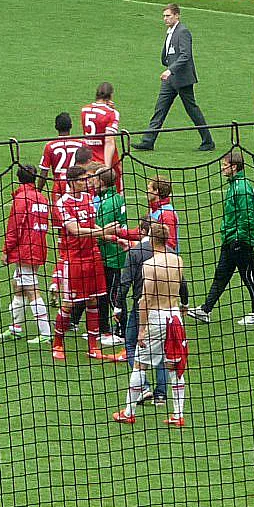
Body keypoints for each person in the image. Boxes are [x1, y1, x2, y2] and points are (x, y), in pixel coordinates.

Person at [113, 222, 185, 425]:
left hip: (157, 317)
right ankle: (178, 415)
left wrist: (142, 329)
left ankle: (128, 412)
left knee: (140, 364)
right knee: (174, 365)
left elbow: (145, 299)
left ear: (152, 240)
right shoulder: (178, 260)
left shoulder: (150, 265)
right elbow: (180, 288)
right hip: (175, 316)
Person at [189, 150, 254, 325]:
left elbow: (247, 217)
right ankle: (205, 310)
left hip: (239, 241)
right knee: (221, 276)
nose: (222, 168)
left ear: (234, 167)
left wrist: (239, 240)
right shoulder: (235, 185)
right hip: (230, 240)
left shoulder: (242, 188)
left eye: (225, 165)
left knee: (249, 277)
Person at [133, 4, 215, 152]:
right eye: (164, 16)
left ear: (177, 15)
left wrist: (170, 70)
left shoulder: (182, 32)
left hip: (182, 79)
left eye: (168, 15)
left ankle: (208, 141)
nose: (165, 19)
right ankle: (148, 141)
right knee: (160, 108)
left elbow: (185, 55)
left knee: (192, 109)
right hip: (171, 79)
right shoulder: (171, 31)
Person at [52, 166, 108, 361]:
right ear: (73, 181)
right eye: (83, 179)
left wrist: (113, 237)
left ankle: (93, 347)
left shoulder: (88, 199)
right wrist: (102, 233)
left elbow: (91, 225)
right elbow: (75, 230)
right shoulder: (62, 203)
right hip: (73, 259)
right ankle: (57, 343)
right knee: (68, 304)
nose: (87, 182)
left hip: (92, 256)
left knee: (93, 300)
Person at [0, 164, 51, 344]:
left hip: (26, 250)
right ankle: (15, 328)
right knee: (18, 286)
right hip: (38, 247)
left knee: (31, 289)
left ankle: (45, 332)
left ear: (18, 178)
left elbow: (15, 228)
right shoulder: (41, 198)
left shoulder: (22, 198)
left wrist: (6, 250)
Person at [93, 167, 127, 350]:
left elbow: (102, 231)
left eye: (95, 181)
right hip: (114, 253)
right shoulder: (117, 198)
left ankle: (121, 332)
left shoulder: (107, 204)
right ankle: (104, 329)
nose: (93, 184)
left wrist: (92, 231)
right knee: (106, 293)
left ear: (102, 182)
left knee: (114, 295)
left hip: (111, 255)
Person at [79, 83, 121, 190]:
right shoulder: (112, 113)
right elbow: (109, 141)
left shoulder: (84, 110)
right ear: (111, 95)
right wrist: (107, 167)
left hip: (89, 157)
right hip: (105, 157)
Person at [37, 113, 85, 199]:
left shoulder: (50, 146)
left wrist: (38, 192)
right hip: (77, 184)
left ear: (56, 127)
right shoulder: (81, 144)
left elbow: (44, 173)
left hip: (58, 186)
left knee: (57, 210)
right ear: (71, 126)